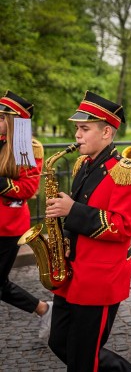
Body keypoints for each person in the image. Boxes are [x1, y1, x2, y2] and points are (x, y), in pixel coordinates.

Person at [46, 91, 131, 371]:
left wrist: (72, 211)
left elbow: (124, 226)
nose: (77, 135)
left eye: (84, 128)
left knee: (83, 358)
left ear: (107, 132)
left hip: (99, 278)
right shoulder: (82, 164)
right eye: (77, 128)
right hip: (72, 272)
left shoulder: (125, 170)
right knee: (59, 342)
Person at [0, 91, 53, 340]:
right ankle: (44, 309)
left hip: (7, 226)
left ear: (14, 122)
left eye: (1, 118)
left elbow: (28, 189)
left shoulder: (29, 148)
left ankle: (44, 309)